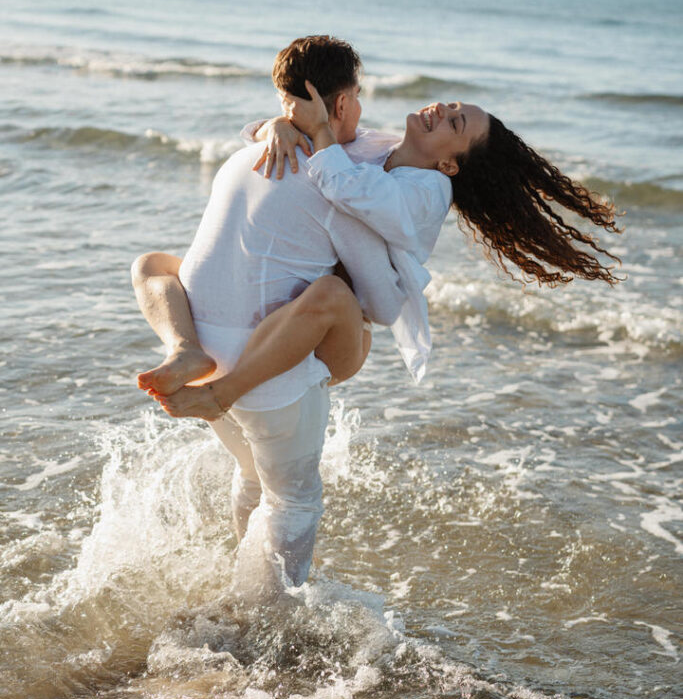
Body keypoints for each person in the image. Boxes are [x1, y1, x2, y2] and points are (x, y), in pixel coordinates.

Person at [134, 36, 621, 425]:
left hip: (349, 323)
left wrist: (319, 132)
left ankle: (222, 393)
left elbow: (351, 192)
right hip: (296, 307)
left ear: (450, 163)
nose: (440, 110)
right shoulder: (377, 143)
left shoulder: (428, 191)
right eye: (450, 104)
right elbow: (303, 133)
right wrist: (277, 128)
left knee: (327, 290)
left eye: (455, 121)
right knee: (152, 266)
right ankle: (186, 348)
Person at [132, 37, 406, 589]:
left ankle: (243, 588)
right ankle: (268, 625)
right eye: (358, 100)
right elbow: (380, 303)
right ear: (344, 103)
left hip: (208, 359)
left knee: (153, 264)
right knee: (296, 500)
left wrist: (270, 125)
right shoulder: (337, 187)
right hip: (266, 374)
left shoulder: (242, 157)